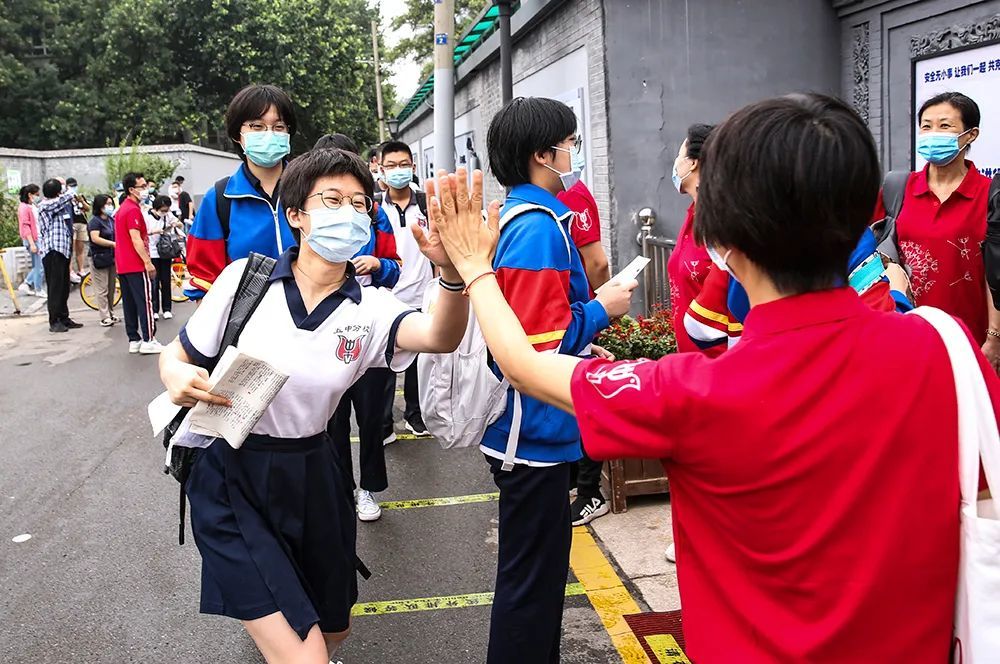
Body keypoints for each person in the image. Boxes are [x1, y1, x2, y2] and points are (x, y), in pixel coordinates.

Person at [434, 92, 1000, 662]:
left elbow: (525, 365)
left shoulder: (689, 393)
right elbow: (977, 494)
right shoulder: (947, 348)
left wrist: (471, 267)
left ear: (725, 234)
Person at [158, 148, 470, 664]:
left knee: (334, 629)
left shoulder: (370, 307)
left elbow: (440, 335)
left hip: (316, 470)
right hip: (231, 473)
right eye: (331, 199)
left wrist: (452, 275)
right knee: (304, 657)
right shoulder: (244, 281)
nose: (349, 212)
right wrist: (176, 375)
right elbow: (178, 353)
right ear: (296, 214)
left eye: (359, 202)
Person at [468, 97, 631, 664]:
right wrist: (601, 308)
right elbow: (540, 347)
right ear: (544, 154)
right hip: (531, 432)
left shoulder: (527, 218)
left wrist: (587, 335)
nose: (574, 152)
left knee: (532, 580)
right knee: (531, 588)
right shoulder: (538, 228)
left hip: (533, 429)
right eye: (570, 142)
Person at [313, 135, 405, 522]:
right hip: (322, 332)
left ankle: (367, 489)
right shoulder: (308, 212)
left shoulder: (373, 213)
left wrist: (377, 265)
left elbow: (394, 265)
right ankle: (337, 489)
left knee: (371, 418)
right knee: (329, 420)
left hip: (368, 329)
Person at [876, 92, 996, 362]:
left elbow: (995, 274)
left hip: (969, 340)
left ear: (971, 134)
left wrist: (994, 340)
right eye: (926, 126)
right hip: (906, 332)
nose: (933, 134)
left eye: (945, 126)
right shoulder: (898, 188)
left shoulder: (989, 195)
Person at [185, 84, 297, 299]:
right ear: (238, 134)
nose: (269, 134)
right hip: (247, 327)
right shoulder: (220, 199)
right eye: (257, 126)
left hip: (312, 323)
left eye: (279, 126)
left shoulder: (311, 190)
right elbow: (204, 280)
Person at [557, 176, 613, 525]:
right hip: (563, 323)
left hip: (579, 320)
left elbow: (597, 264)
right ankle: (577, 481)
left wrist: (602, 310)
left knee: (584, 405)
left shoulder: (574, 196)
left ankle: (591, 492)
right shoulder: (542, 200)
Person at [378, 140, 433, 436]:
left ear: (412, 167)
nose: (398, 171)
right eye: (391, 166)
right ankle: (384, 422)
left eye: (403, 165)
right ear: (381, 169)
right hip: (386, 296)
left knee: (418, 363)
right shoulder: (373, 206)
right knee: (383, 360)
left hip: (421, 295)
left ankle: (415, 414)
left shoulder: (426, 204)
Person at [115, 171, 162, 354]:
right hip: (135, 263)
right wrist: (148, 262)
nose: (146, 189)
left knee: (130, 303)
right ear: (131, 189)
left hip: (123, 264)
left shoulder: (122, 210)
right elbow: (136, 239)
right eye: (142, 186)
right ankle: (149, 338)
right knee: (145, 301)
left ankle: (134, 339)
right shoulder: (132, 210)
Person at [37, 178, 83, 333]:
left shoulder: (61, 204)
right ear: (57, 192)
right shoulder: (45, 205)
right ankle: (54, 320)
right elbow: (62, 200)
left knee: (64, 286)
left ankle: (64, 317)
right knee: (55, 287)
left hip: (63, 249)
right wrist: (70, 192)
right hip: (52, 251)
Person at [146, 195, 181, 320]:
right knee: (154, 283)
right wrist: (154, 231)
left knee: (166, 281)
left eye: (166, 210)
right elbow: (143, 232)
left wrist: (175, 223)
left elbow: (180, 224)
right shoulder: (147, 217)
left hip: (165, 252)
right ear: (156, 208)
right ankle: (154, 310)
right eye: (162, 210)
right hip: (153, 252)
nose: (164, 212)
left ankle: (167, 309)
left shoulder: (168, 215)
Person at [87, 194, 118, 326]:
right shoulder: (95, 221)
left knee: (111, 287)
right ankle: (104, 316)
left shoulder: (111, 220)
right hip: (98, 256)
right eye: (107, 204)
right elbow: (95, 238)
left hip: (111, 257)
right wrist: (112, 244)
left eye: (111, 203)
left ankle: (111, 312)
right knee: (102, 288)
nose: (109, 206)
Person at [17, 184, 43, 296]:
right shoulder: (24, 207)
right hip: (33, 239)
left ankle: (27, 283)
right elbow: (25, 226)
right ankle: (38, 288)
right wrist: (32, 243)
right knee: (39, 266)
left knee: (39, 265)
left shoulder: (32, 206)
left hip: (37, 238)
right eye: (36, 194)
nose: (38, 196)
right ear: (30, 195)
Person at [66, 177, 91, 283]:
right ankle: (70, 271)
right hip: (72, 223)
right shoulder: (66, 198)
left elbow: (88, 208)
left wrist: (81, 201)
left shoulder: (79, 196)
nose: (74, 188)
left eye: (74, 186)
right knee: (71, 248)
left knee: (80, 248)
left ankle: (81, 269)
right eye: (71, 186)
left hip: (82, 223)